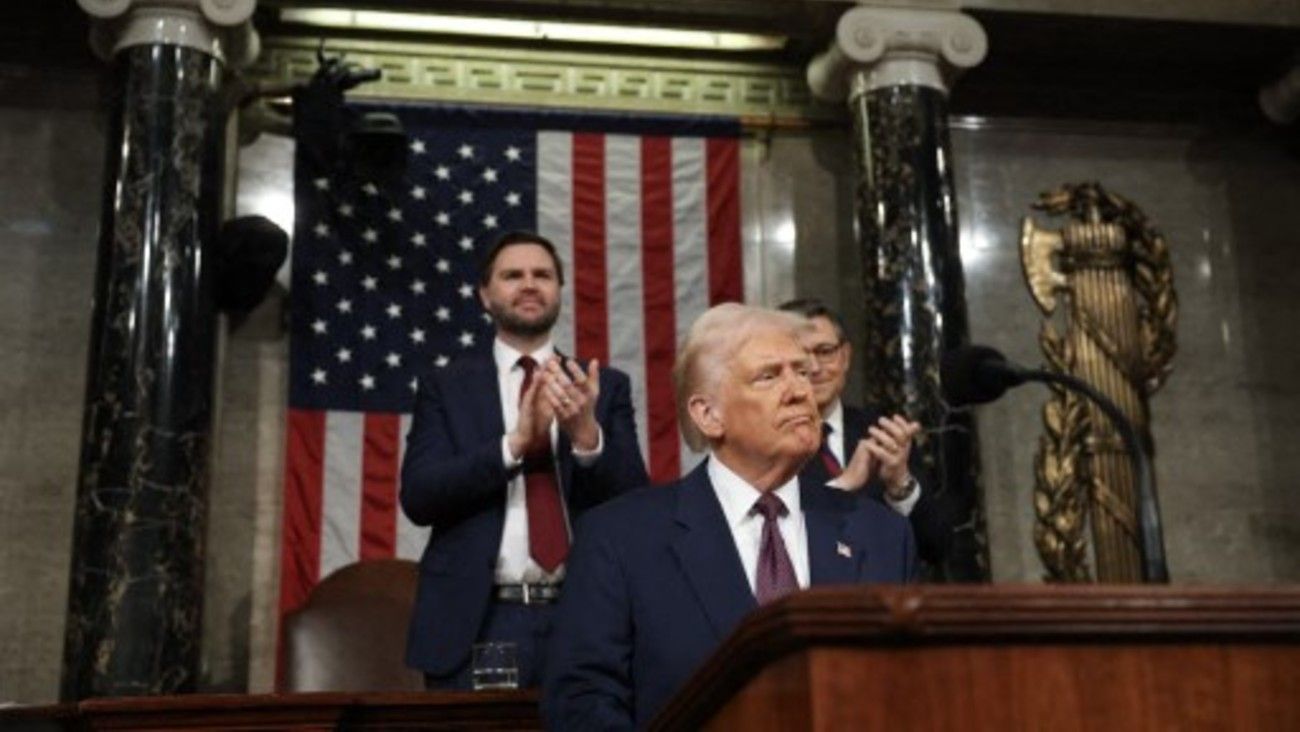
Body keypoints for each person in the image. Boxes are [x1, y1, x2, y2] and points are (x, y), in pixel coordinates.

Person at [544, 304, 916, 729]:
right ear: (709, 415)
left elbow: (910, 693)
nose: (799, 391)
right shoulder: (621, 538)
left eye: (802, 372)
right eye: (770, 376)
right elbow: (581, 701)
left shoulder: (881, 534)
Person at [400, 230, 649, 689]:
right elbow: (419, 496)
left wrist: (587, 438)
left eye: (543, 275)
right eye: (513, 275)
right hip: (481, 618)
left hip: (586, 612)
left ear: (559, 291)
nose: (529, 284)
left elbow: (637, 503)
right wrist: (513, 444)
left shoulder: (601, 386)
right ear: (485, 295)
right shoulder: (446, 386)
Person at [778, 297, 953, 566]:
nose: (814, 368)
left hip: (887, 602)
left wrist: (900, 486)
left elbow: (937, 547)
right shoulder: (760, 442)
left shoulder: (882, 431)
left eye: (825, 351)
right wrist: (843, 486)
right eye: (800, 356)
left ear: (845, 357)